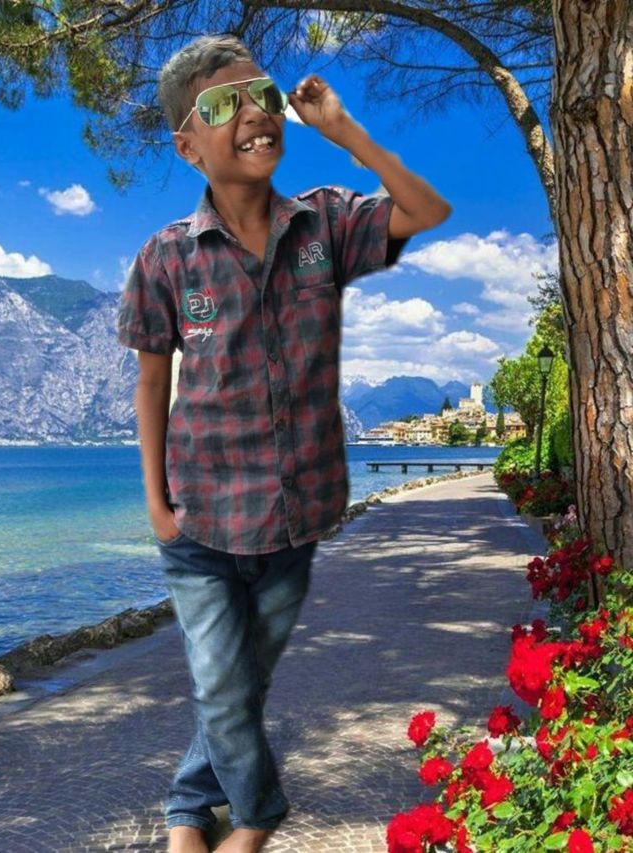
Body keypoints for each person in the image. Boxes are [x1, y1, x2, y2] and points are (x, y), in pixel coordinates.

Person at [116, 32, 451, 853]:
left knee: (238, 687)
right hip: (199, 522)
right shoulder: (164, 258)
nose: (255, 114)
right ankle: (257, 814)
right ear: (188, 146)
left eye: (262, 95)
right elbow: (152, 385)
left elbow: (426, 211)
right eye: (223, 105)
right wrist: (156, 504)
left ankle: (187, 805)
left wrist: (343, 130)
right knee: (225, 689)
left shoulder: (326, 224)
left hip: (294, 517)